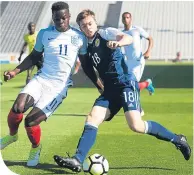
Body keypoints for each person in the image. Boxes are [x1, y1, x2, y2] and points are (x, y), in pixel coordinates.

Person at [53, 9, 191, 173]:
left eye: (90, 23)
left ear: (95, 23)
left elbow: (128, 37)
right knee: (92, 118)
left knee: (136, 125)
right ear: (81, 28)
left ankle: (177, 139)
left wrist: (119, 43)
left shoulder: (105, 33)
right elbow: (87, 67)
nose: (88, 27)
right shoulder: (86, 45)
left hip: (126, 83)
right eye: (84, 26)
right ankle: (77, 159)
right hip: (110, 90)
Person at [0, 2, 96, 167]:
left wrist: (99, 84)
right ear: (53, 18)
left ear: (69, 17)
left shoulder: (79, 37)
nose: (60, 22)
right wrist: (15, 71)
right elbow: (34, 56)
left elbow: (86, 64)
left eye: (63, 18)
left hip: (58, 88)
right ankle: (12, 136)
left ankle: (35, 148)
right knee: (18, 107)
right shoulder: (44, 34)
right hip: (41, 79)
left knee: (30, 121)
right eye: (57, 19)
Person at [121, 12, 154, 95]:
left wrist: (148, 51)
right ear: (122, 20)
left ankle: (147, 84)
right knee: (128, 85)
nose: (126, 19)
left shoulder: (137, 30)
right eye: (124, 18)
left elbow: (150, 39)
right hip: (127, 62)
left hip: (138, 61)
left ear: (131, 19)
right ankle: (147, 84)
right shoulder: (121, 33)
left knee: (131, 86)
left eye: (127, 17)